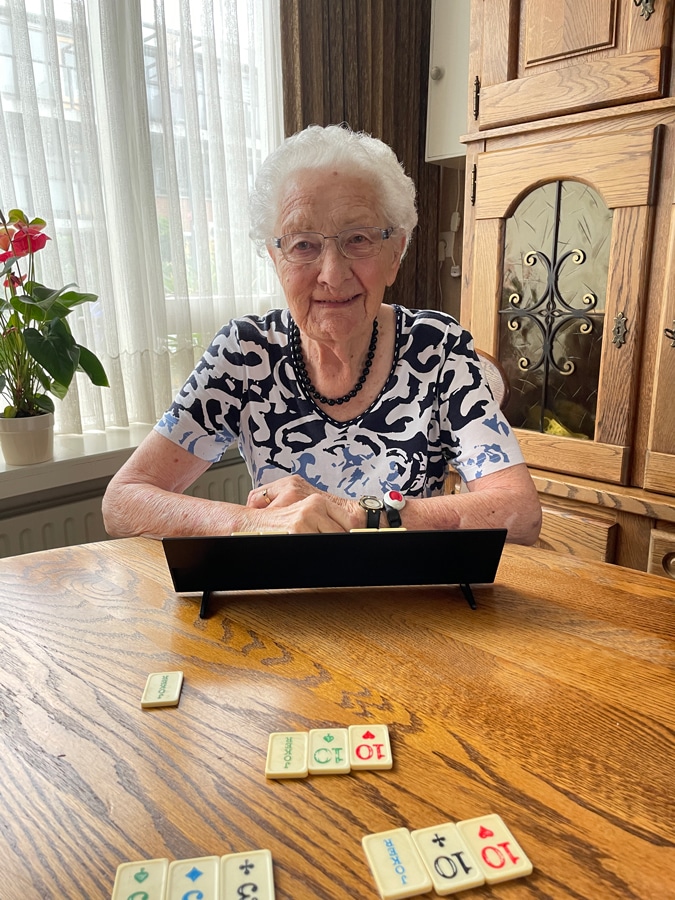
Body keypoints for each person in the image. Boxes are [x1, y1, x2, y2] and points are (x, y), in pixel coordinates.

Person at [102, 124, 541, 543]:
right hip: (285, 601)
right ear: (276, 259)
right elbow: (122, 501)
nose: (332, 274)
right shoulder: (245, 353)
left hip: (407, 598)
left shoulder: (436, 348)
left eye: (358, 239)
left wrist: (362, 512)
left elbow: (519, 513)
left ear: (396, 251)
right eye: (303, 245)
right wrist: (253, 525)